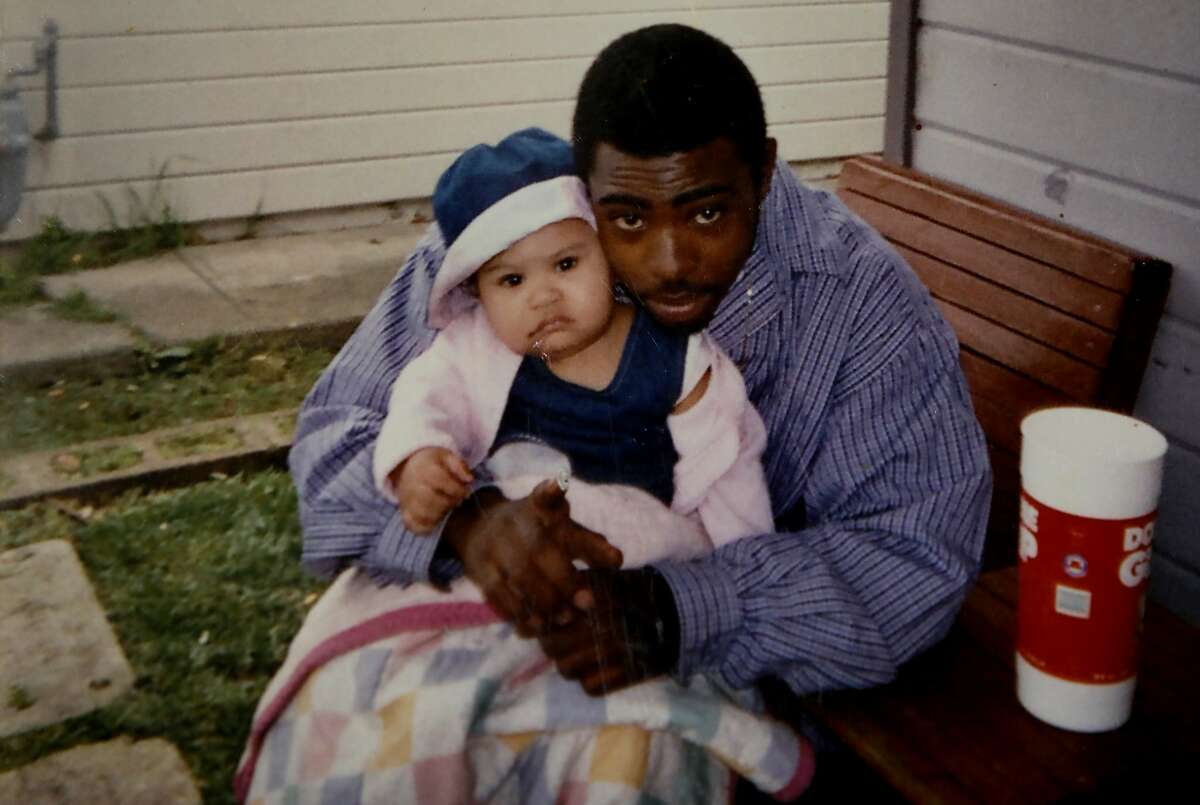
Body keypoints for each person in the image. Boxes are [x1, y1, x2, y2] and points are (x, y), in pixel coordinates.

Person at [284, 21, 990, 797]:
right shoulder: (511, 250)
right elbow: (333, 436)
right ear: (582, 188)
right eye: (625, 219)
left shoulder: (862, 304)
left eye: (708, 213)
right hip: (463, 635)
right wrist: (465, 520)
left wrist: (677, 606)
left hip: (721, 682)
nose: (670, 261)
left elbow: (915, 555)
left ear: (763, 170)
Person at [373, 127, 774, 570]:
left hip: (645, 553)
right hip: (522, 549)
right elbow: (423, 399)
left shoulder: (674, 356)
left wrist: (746, 570)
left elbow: (728, 467)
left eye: (566, 264)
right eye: (512, 280)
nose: (543, 296)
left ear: (610, 257)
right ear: (477, 293)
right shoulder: (476, 347)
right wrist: (418, 457)